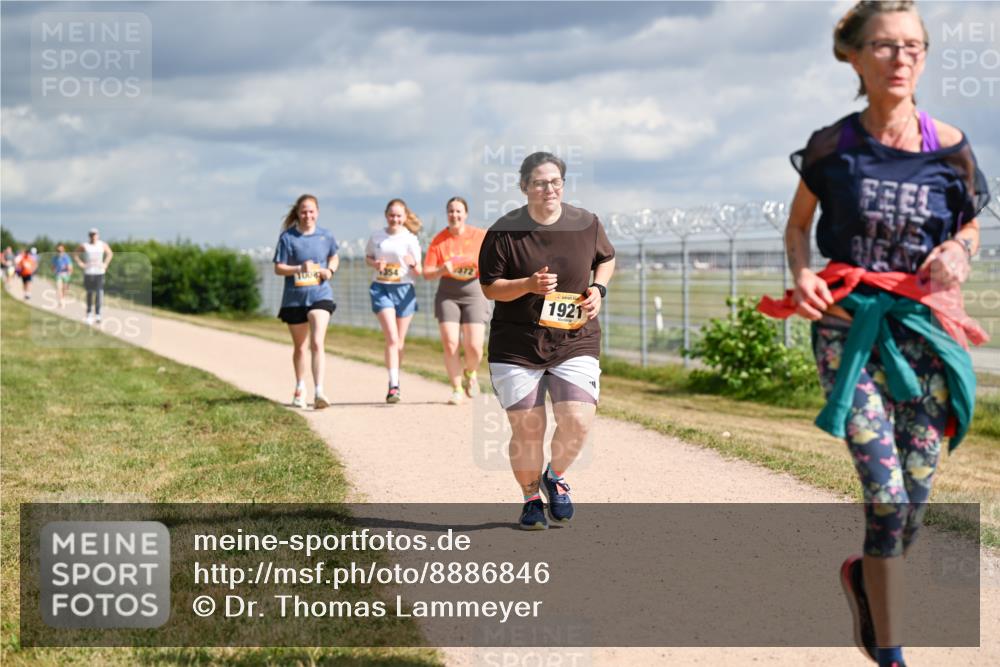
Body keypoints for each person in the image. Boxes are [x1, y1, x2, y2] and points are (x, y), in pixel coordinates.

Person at [759, 3, 990, 666]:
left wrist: (960, 252)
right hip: (848, 329)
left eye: (913, 45)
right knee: (886, 491)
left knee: (913, 501)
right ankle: (891, 651)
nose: (902, 57)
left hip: (923, 332)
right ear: (854, 57)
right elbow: (798, 226)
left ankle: (864, 575)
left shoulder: (949, 145)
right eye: (885, 46)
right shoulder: (835, 145)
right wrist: (801, 272)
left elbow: (968, 224)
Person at [479, 151, 615, 530]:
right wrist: (527, 285)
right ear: (524, 187)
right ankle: (530, 498)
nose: (549, 188)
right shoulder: (503, 232)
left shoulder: (585, 223)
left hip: (575, 338)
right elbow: (491, 288)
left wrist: (599, 289)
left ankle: (554, 476)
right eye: (539, 182)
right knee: (529, 428)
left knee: (578, 420)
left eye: (555, 181)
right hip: (517, 344)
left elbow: (607, 257)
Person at [272, 194, 340, 409]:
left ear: (317, 213)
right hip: (295, 298)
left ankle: (320, 391)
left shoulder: (325, 236)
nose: (308, 215)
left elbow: (334, 256)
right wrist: (299, 269)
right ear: (298, 213)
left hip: (320, 295)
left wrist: (330, 270)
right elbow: (278, 267)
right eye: (304, 211)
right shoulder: (288, 238)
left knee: (317, 341)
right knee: (300, 347)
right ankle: (300, 386)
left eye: (311, 211)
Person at [423, 197, 490, 405]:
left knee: (474, 346)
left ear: (466, 214)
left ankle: (470, 373)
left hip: (475, 294)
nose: (454, 215)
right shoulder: (439, 240)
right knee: (451, 343)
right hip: (448, 295)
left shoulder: (479, 236)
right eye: (451, 211)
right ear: (447, 214)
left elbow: (495, 260)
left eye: (458, 211)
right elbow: (427, 273)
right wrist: (442, 270)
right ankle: (456, 389)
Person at [366, 198, 423, 404]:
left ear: (405, 217)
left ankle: (396, 375)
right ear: (386, 215)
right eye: (392, 215)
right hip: (381, 288)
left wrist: (412, 263)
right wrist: (376, 263)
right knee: (391, 338)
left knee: (399, 341)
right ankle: (393, 385)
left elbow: (419, 272)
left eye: (399, 216)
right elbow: (368, 257)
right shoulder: (377, 236)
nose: (395, 219)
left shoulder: (410, 239)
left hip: (405, 290)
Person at [74, 228, 113, 324]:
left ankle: (98, 314)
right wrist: (80, 263)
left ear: (98, 235)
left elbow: (110, 253)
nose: (93, 236)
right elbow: (75, 254)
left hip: (99, 272)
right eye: (92, 234)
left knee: (99, 293)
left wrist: (105, 264)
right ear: (89, 236)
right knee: (90, 293)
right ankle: (89, 314)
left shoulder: (102, 245)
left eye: (95, 234)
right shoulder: (85, 246)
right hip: (89, 272)